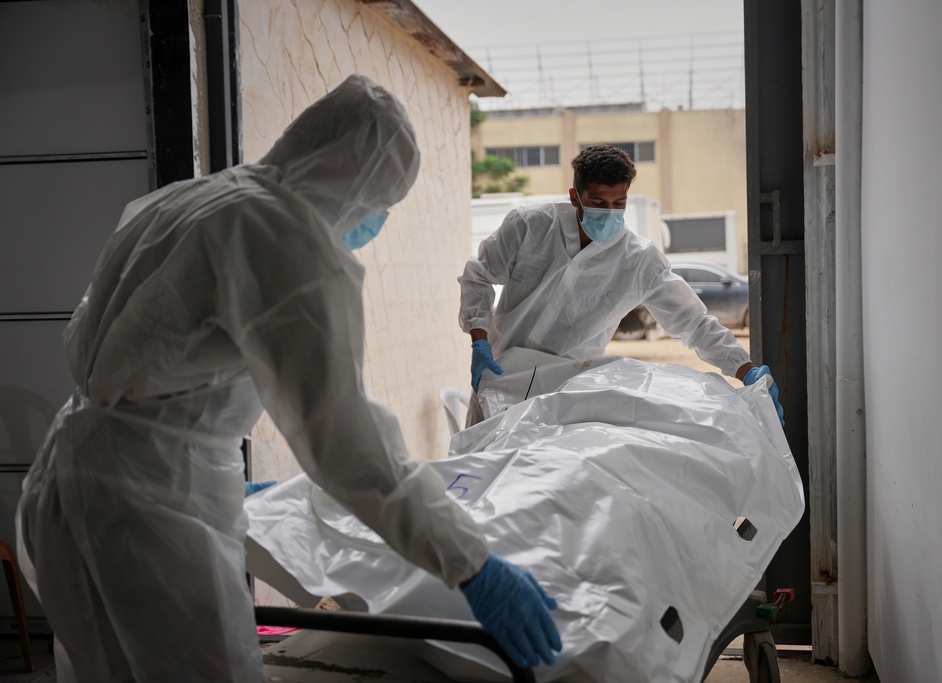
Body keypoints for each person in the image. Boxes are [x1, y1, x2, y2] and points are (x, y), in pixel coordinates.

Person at [16, 75, 560, 682]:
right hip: (152, 508)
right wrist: (474, 565)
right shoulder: (293, 244)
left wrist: (193, 448)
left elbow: (117, 343)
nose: (377, 220)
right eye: (383, 203)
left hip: (72, 469)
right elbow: (351, 450)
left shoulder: (194, 198)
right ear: (359, 184)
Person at [459, 144, 785, 424]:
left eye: (620, 204)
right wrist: (479, 342)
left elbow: (695, 323)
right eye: (599, 203)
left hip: (567, 389)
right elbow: (478, 275)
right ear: (575, 196)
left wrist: (746, 371)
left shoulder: (638, 260)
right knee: (481, 466)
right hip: (503, 375)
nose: (610, 213)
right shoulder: (530, 227)